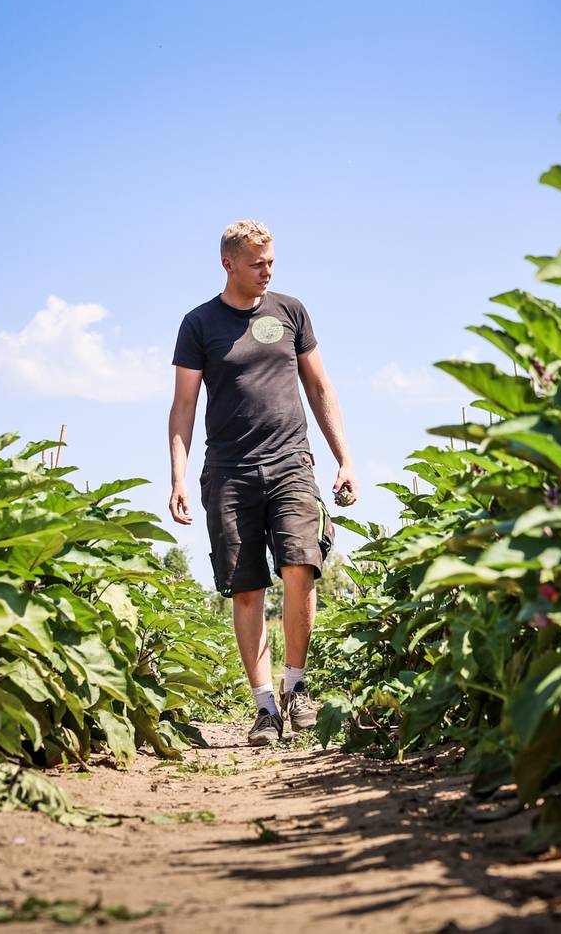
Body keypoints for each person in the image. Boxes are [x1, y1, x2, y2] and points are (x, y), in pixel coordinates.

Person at [168, 219, 357, 746]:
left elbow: (319, 387)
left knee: (301, 565)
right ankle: (265, 707)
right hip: (228, 471)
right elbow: (183, 407)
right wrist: (178, 476)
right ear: (228, 264)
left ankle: (296, 687)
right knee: (246, 588)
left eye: (271, 261)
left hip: (292, 462)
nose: (267, 271)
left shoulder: (290, 311)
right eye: (257, 264)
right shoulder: (198, 324)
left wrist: (345, 458)